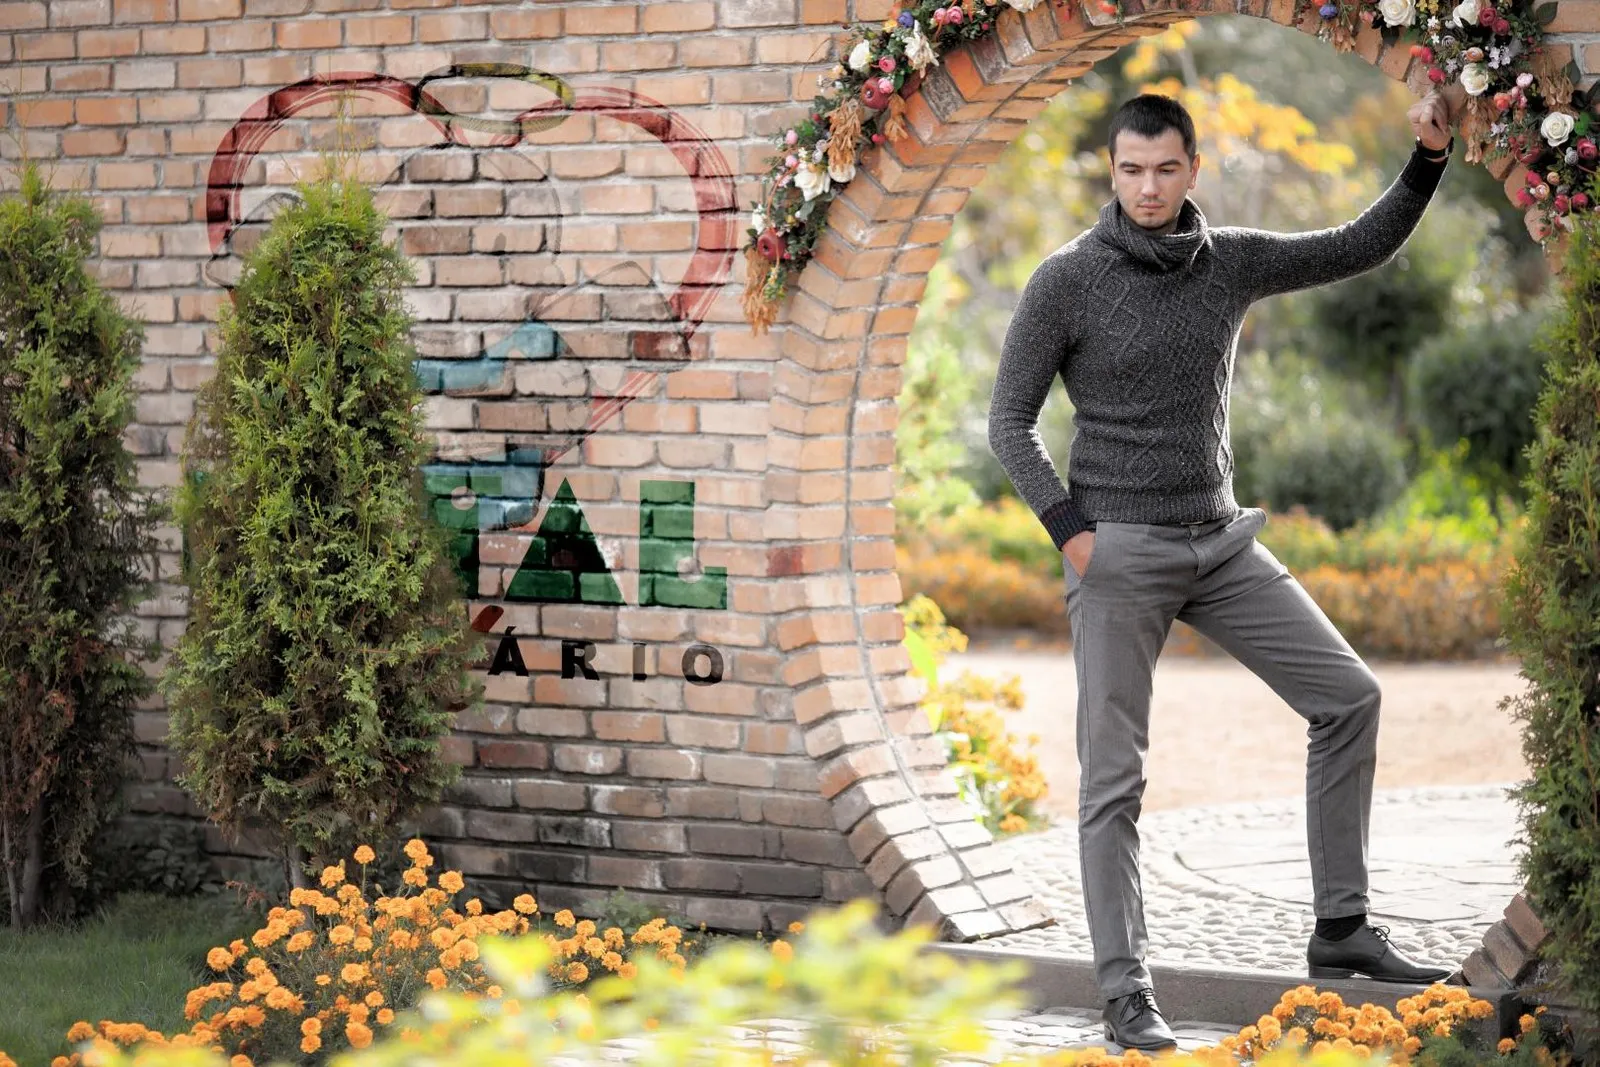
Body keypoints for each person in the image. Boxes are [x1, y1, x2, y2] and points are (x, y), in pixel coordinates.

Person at [986, 89, 1461, 1053]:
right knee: (1113, 781)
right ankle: (1126, 991)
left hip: (1221, 542)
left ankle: (1341, 928)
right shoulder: (1066, 280)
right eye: (1131, 170)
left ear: (1193, 168)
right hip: (1119, 553)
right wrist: (1075, 535)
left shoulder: (1229, 260)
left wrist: (1428, 157)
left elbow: (1356, 244)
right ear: (1111, 171)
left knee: (1349, 697)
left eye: (1166, 168)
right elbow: (1009, 423)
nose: (1147, 187)